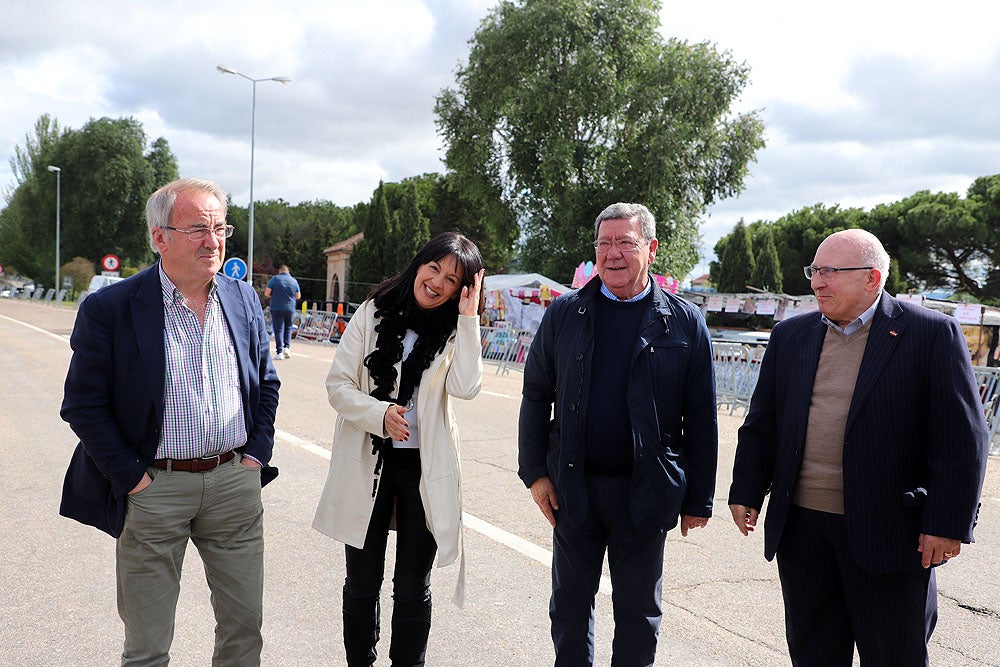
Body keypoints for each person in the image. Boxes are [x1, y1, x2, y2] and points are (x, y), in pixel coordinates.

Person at [729, 229, 989, 665]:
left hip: (891, 535)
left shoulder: (929, 334)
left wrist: (946, 522)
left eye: (830, 272)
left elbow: (964, 437)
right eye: (814, 270)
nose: (816, 282)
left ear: (872, 278)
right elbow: (763, 423)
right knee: (814, 654)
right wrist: (746, 490)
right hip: (803, 532)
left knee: (894, 655)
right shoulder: (791, 335)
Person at [59, 178, 281, 666]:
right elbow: (82, 404)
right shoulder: (111, 308)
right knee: (148, 646)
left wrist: (256, 455)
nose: (213, 240)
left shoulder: (242, 299)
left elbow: (266, 384)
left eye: (220, 227)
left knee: (245, 630)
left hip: (233, 485)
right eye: (198, 228)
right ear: (161, 238)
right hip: (154, 488)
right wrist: (132, 478)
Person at [518, 203, 718, 666]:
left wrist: (698, 500)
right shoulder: (566, 314)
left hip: (646, 492)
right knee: (568, 607)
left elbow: (702, 416)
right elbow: (535, 394)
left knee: (638, 614)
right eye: (604, 243)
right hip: (573, 488)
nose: (613, 254)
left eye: (625, 243)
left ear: (650, 249)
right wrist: (534, 474)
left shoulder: (684, 323)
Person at [312, 232, 485, 667]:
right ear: (419, 263)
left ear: (462, 289)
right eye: (434, 268)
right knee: (362, 582)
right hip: (368, 459)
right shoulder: (373, 311)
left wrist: (468, 319)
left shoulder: (452, 331)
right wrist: (379, 413)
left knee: (412, 587)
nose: (437, 282)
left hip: (422, 469)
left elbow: (466, 386)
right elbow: (338, 386)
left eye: (452, 279)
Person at [265, 263, 301, 359]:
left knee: (278, 329)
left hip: (277, 307)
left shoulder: (275, 279)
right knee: (288, 328)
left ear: (279, 271)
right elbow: (298, 296)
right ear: (288, 271)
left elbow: (267, 292)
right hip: (290, 308)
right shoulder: (294, 281)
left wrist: (274, 295)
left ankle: (279, 352)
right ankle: (287, 348)